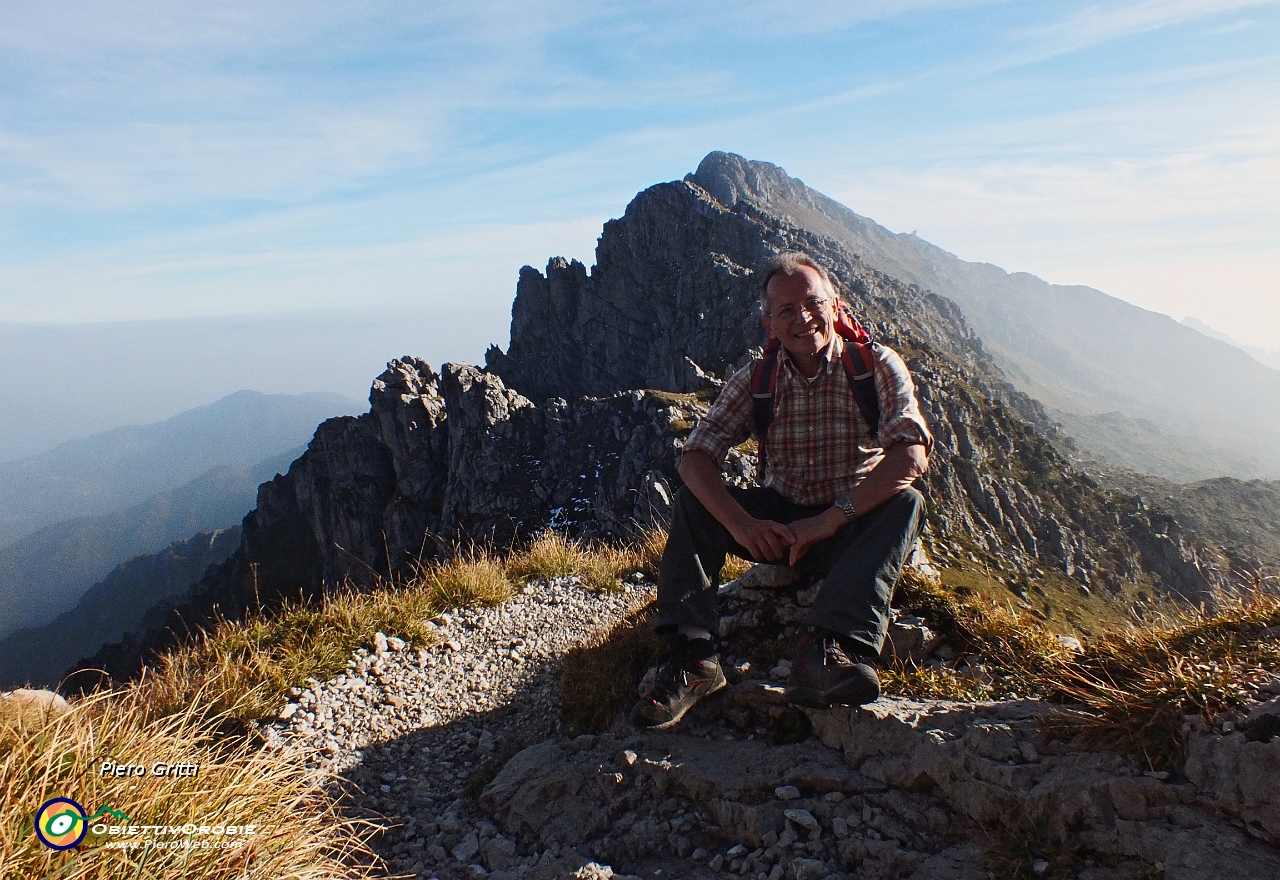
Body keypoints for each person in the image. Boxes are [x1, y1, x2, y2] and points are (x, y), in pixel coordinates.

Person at [631, 251, 933, 730]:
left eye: (812, 303)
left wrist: (831, 519)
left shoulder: (872, 365)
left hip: (851, 519)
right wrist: (743, 525)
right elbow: (695, 458)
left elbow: (911, 454)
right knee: (694, 503)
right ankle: (695, 658)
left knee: (907, 502)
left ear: (835, 305)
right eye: (786, 311)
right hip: (781, 523)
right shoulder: (759, 380)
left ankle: (827, 648)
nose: (803, 318)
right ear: (768, 323)